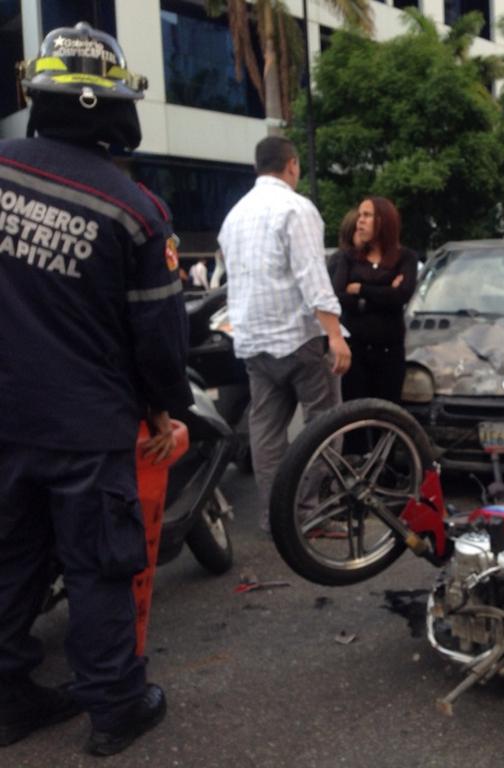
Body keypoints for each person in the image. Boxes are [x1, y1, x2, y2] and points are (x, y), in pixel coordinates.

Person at [0, 22, 191, 755]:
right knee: (99, 568)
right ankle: (115, 708)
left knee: (10, 560)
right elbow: (157, 339)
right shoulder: (135, 209)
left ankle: (9, 698)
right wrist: (161, 411)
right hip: (85, 429)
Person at [217, 136, 351, 533]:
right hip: (299, 337)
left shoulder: (234, 216)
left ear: (259, 166)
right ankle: (309, 513)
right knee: (326, 425)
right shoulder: (296, 208)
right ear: (292, 165)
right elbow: (312, 275)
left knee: (267, 432)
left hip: (253, 339)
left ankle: (277, 517)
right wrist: (335, 335)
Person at [330, 197, 418, 403]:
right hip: (356, 351)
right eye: (360, 215)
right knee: (355, 419)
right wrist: (384, 292)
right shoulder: (349, 257)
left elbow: (401, 296)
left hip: (389, 351)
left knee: (386, 415)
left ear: (383, 221)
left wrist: (361, 289)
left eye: (367, 215)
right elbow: (338, 296)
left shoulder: (405, 258)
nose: (360, 220)